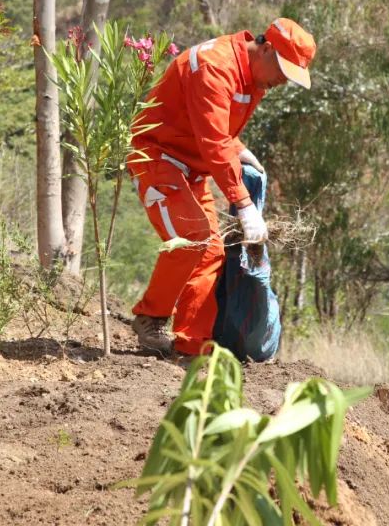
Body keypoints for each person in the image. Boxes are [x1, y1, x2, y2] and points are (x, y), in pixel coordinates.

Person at [127, 18, 316, 356]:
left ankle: (191, 344)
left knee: (211, 252)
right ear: (267, 48)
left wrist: (239, 149)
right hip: (157, 157)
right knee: (193, 237)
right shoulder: (215, 66)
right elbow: (214, 140)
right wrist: (244, 205)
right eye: (284, 70)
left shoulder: (254, 78)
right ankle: (150, 317)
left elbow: (218, 129)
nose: (283, 81)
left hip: (192, 167)